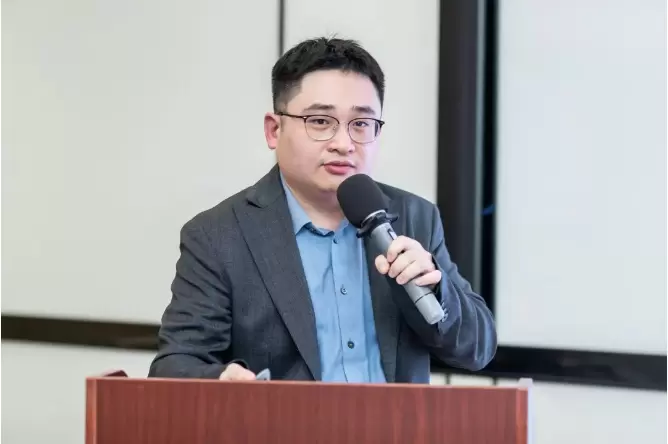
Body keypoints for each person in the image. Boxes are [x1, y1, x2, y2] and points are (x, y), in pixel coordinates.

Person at [148, 37, 497, 383]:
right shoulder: (218, 236)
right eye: (319, 121)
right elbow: (175, 364)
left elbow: (478, 349)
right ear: (274, 130)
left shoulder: (413, 217)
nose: (343, 144)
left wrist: (434, 287)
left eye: (361, 124)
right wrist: (223, 381)